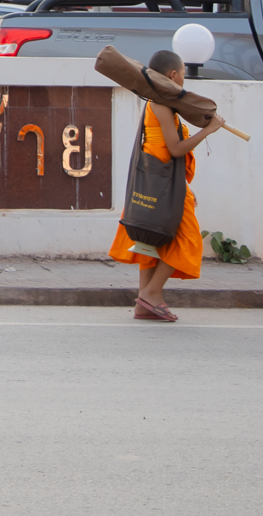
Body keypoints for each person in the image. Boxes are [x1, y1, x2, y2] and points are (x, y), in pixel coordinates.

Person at [108, 50, 226, 323]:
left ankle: (143, 303)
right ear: (173, 75)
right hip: (164, 188)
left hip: (160, 183)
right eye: (183, 73)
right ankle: (151, 293)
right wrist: (208, 130)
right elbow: (174, 150)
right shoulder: (161, 105)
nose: (184, 78)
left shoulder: (158, 102)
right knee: (189, 240)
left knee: (150, 242)